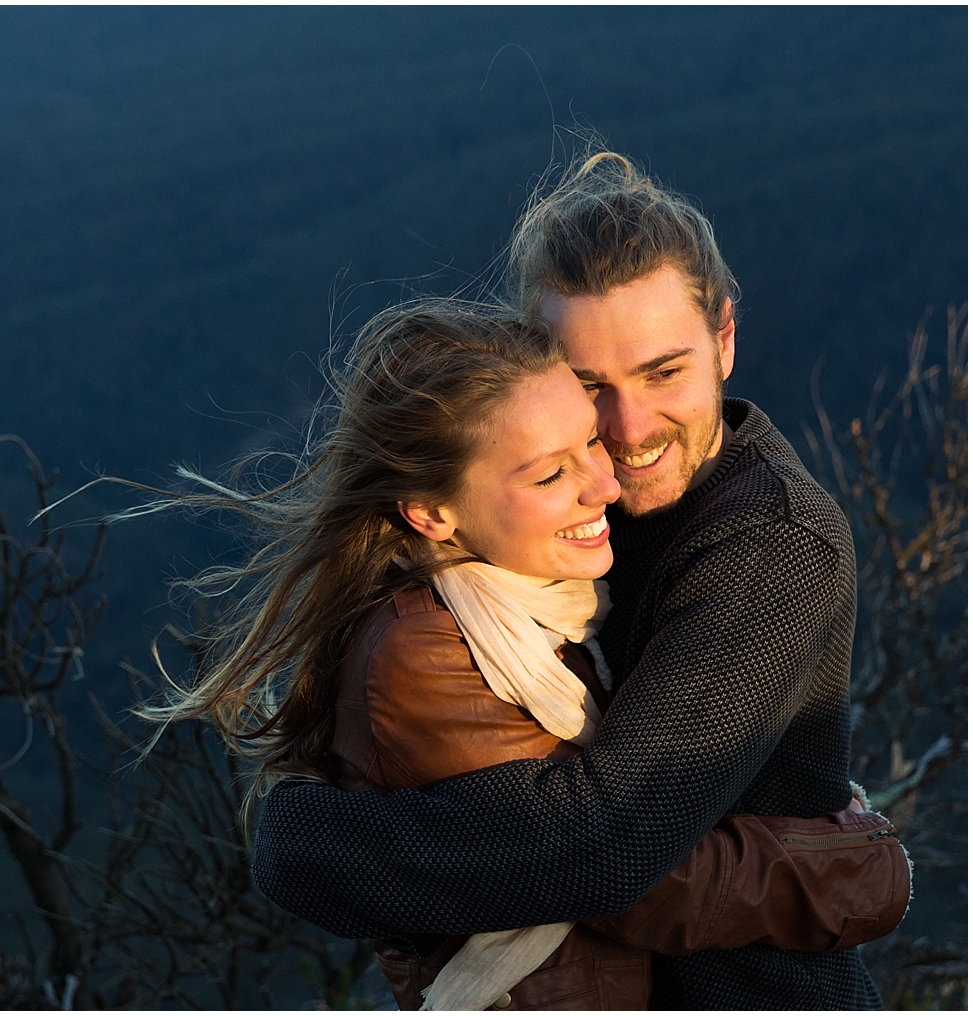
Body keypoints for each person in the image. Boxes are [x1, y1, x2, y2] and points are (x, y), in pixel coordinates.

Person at [249, 152, 894, 1008]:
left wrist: (303, 841)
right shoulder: (557, 511)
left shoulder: (769, 545)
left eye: (665, 372)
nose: (627, 432)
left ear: (726, 339)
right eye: (591, 387)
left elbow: (606, 842)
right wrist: (845, 875)